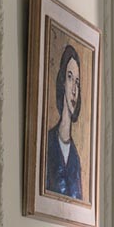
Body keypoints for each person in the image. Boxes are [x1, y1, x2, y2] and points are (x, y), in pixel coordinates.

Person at [44, 44, 83, 200]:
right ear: (62, 82)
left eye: (77, 82)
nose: (74, 89)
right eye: (70, 77)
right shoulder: (48, 143)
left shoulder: (75, 157)